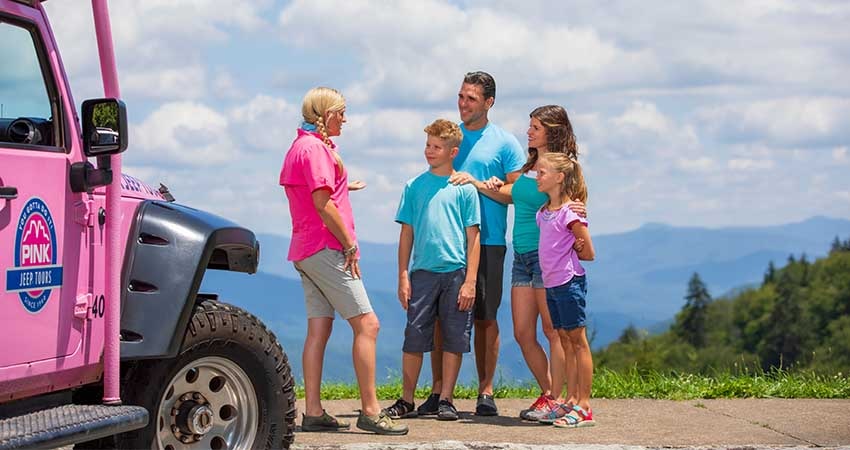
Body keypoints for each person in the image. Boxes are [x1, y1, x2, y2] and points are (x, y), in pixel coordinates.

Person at [279, 87, 408, 436]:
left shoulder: (300, 147)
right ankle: (370, 411)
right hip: (326, 248)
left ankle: (313, 411)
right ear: (324, 114)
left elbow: (313, 193)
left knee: (318, 329)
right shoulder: (317, 150)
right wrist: (350, 244)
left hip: (304, 248)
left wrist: (342, 187)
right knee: (368, 325)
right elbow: (323, 204)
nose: (345, 119)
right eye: (341, 112)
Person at [419, 71, 525, 417]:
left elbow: (517, 194)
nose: (463, 104)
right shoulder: (450, 137)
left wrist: (479, 184)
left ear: (489, 103)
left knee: (485, 317)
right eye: (461, 96)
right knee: (438, 318)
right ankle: (438, 392)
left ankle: (486, 390)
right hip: (446, 242)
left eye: (471, 99)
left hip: (489, 240)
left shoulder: (505, 143)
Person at [384, 119, 481, 422]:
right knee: (414, 336)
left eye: (436, 147)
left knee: (454, 338)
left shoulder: (464, 190)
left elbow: (473, 237)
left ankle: (446, 399)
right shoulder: (413, 187)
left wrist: (470, 281)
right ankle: (406, 399)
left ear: (453, 151)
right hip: (422, 273)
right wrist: (402, 274)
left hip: (456, 273)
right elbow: (407, 234)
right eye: (427, 145)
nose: (429, 151)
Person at [501, 105, 583, 421]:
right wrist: (484, 186)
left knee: (554, 330)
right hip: (521, 255)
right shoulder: (531, 165)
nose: (528, 131)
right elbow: (516, 194)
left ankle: (558, 399)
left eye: (535, 127)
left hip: (548, 256)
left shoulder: (564, 166)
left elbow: (575, 203)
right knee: (523, 332)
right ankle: (551, 393)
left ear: (552, 130)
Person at [535, 151, 596, 428]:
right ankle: (571, 399)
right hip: (552, 284)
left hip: (569, 283)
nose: (538, 176)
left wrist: (575, 246)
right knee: (565, 339)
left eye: (542, 172)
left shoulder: (570, 213)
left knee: (578, 341)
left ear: (559, 177)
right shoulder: (543, 213)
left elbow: (589, 252)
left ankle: (584, 406)